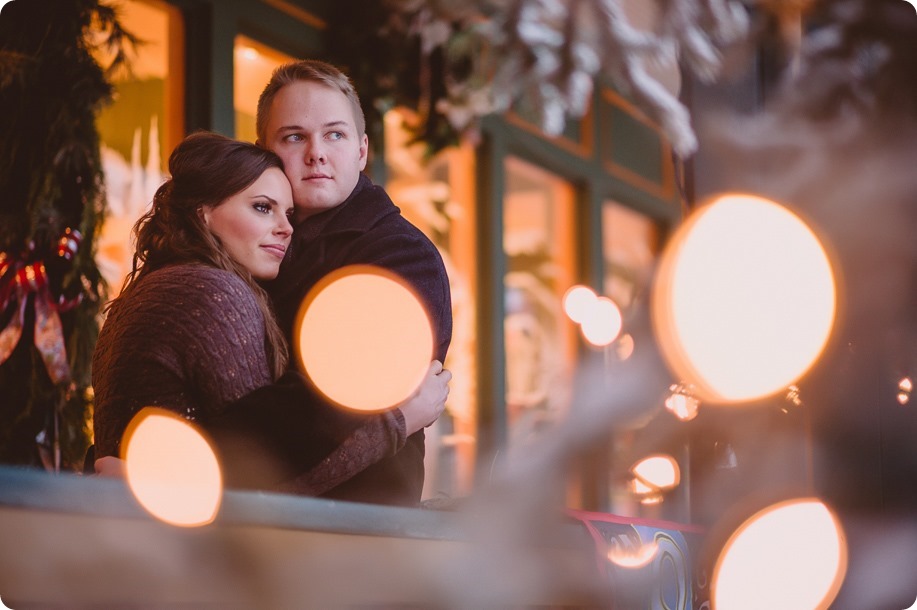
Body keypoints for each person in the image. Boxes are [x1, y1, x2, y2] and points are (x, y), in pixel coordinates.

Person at [91, 131, 449, 493]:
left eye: (289, 213)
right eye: (263, 207)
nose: (286, 228)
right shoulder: (214, 294)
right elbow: (261, 479)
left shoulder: (144, 292)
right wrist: (399, 420)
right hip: (181, 539)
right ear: (204, 214)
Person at [255, 59, 453, 506]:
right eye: (294, 136)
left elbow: (328, 408)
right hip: (251, 525)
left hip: (355, 528)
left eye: (335, 134)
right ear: (265, 151)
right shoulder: (251, 243)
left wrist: (200, 439)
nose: (316, 153)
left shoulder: (402, 256)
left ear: (362, 151)